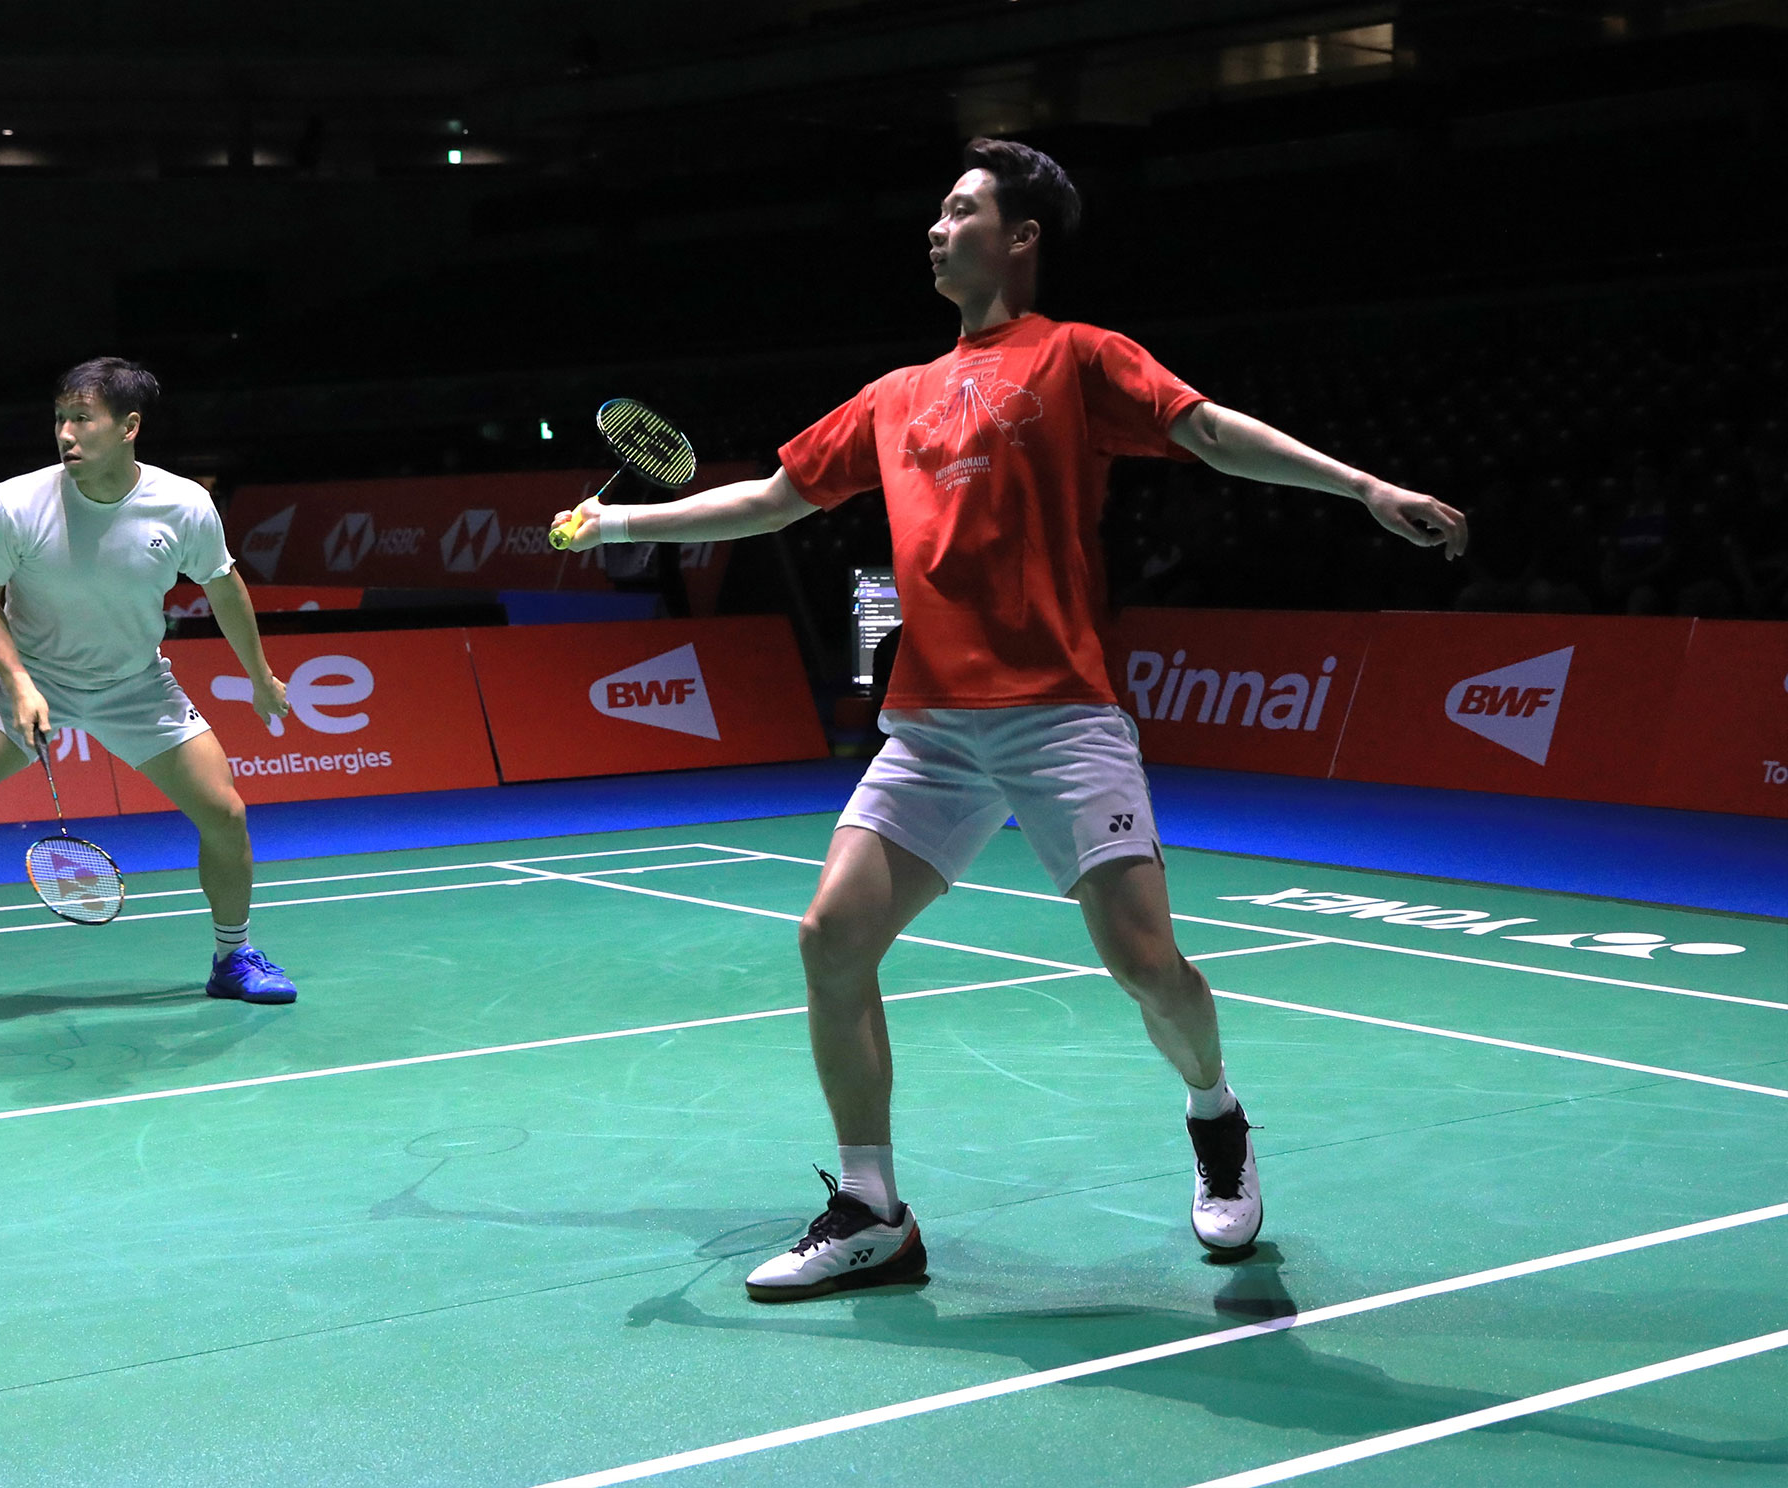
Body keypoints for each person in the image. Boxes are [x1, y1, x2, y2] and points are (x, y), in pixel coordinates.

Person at [554, 139, 1467, 1303]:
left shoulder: (1080, 358)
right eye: (935, 213)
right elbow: (777, 499)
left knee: (1149, 969)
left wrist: (1363, 488)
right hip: (931, 725)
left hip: (1057, 714)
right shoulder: (894, 395)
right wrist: (623, 529)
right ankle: (874, 1212)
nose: (935, 229)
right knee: (831, 939)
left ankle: (1214, 1110)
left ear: (1022, 236)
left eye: (959, 210)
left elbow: (1210, 432)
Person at [0, 358, 300, 1048]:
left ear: (130, 427)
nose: (66, 433)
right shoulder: (14, 503)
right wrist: (20, 682)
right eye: (61, 418)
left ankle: (232, 956)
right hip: (25, 678)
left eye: (82, 418)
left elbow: (224, 588)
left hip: (135, 685)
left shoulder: (183, 505)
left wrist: (262, 678)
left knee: (225, 812)